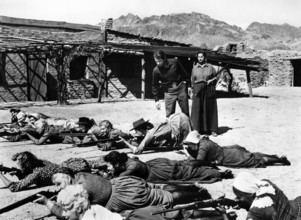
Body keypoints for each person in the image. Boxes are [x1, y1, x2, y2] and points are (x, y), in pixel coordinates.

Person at [35, 169, 209, 219]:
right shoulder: (80, 175)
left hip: (121, 197)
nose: (58, 188)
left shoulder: (80, 193)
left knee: (165, 198)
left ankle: (197, 194)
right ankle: (196, 191)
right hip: (122, 184)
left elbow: (68, 213)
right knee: (158, 191)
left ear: (65, 179)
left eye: (59, 184)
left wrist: (49, 203)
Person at [103, 151, 233, 183]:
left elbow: (116, 179)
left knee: (190, 173)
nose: (108, 168)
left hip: (159, 172)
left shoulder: (132, 167)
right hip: (157, 164)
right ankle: (209, 163)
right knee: (184, 163)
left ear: (117, 164)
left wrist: (108, 175)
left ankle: (221, 174)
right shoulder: (126, 159)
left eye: (110, 165)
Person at [182, 130, 291, 168]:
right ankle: (275, 157)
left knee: (256, 160)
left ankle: (279, 161)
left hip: (229, 157)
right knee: (254, 155)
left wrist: (187, 154)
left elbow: (198, 162)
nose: (189, 147)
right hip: (229, 151)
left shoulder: (203, 147)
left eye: (190, 144)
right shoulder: (203, 141)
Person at [232, 172, 301, 220]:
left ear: (251, 194)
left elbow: (257, 209)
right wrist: (244, 203)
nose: (236, 199)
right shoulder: (265, 183)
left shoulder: (255, 212)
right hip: (296, 206)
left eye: (238, 197)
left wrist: (225, 216)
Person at [124, 112, 191, 154]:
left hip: (180, 123)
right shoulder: (152, 126)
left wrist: (124, 141)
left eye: (136, 131)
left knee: (187, 145)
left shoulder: (149, 134)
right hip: (178, 117)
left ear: (141, 130)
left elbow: (137, 151)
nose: (136, 133)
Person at [152, 50, 190, 117]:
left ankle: (187, 127)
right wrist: (156, 100)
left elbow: (184, 73)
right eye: (156, 61)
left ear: (164, 58)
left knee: (185, 112)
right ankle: (171, 127)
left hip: (181, 89)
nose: (158, 63)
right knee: (169, 115)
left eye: (159, 61)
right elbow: (155, 85)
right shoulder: (156, 70)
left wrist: (189, 86)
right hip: (169, 92)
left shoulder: (175, 62)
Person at [190, 51, 218, 136]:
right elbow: (192, 81)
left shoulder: (210, 67)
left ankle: (212, 129)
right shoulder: (194, 68)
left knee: (210, 109)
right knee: (198, 109)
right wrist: (192, 91)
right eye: (198, 57)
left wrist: (211, 81)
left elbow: (216, 77)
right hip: (198, 90)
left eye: (201, 57)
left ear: (205, 58)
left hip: (208, 89)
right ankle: (197, 129)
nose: (200, 58)